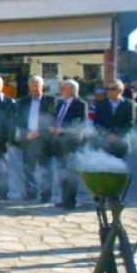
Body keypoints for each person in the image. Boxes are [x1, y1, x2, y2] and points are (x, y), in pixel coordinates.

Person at [49, 79, 88, 210]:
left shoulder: (80, 105)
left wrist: (62, 130)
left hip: (71, 144)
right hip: (58, 143)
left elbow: (79, 125)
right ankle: (64, 199)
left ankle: (70, 201)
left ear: (72, 90)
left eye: (64, 88)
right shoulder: (60, 103)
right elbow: (55, 119)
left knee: (71, 173)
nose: (61, 90)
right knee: (62, 173)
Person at [15, 75, 56, 202]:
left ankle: (45, 195)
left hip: (44, 140)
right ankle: (31, 193)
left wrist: (39, 132)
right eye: (32, 85)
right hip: (28, 140)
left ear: (42, 86)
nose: (34, 88)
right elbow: (19, 120)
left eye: (37, 85)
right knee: (28, 169)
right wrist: (26, 133)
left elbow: (53, 120)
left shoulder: (51, 101)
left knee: (46, 169)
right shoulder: (23, 102)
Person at [93, 79, 135, 158]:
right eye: (107, 89)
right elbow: (96, 122)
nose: (109, 91)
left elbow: (130, 123)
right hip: (104, 136)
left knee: (122, 158)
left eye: (113, 89)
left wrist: (117, 135)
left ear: (120, 90)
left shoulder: (129, 104)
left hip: (122, 137)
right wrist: (106, 134)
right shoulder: (101, 104)